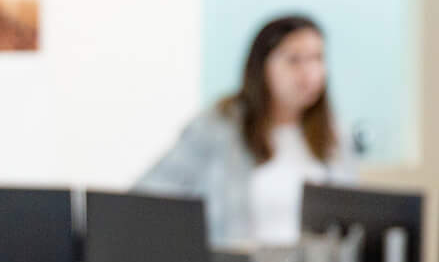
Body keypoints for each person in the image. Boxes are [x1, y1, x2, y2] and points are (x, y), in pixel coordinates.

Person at [138, 13, 356, 248]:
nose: (309, 73)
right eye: (294, 60)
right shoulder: (218, 127)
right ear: (262, 67)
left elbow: (350, 222)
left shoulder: (335, 135)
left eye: (316, 59)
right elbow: (148, 196)